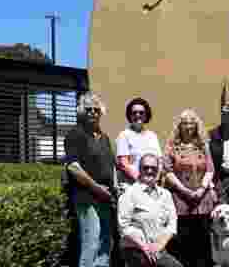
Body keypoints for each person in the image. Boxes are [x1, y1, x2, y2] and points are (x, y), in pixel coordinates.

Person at [65, 91, 117, 267]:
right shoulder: (75, 134)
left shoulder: (105, 138)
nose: (93, 113)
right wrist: (96, 188)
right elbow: (73, 167)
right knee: (91, 243)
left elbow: (111, 166)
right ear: (81, 111)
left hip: (105, 198)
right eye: (88, 109)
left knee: (106, 243)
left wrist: (113, 189)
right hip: (87, 198)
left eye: (96, 110)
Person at [163, 109, 218, 267]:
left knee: (202, 241)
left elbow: (210, 169)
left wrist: (201, 188)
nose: (188, 126)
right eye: (185, 123)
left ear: (196, 125)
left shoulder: (202, 145)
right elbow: (167, 171)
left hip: (202, 199)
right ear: (179, 126)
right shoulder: (172, 146)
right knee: (182, 241)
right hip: (180, 200)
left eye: (191, 123)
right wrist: (184, 190)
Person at [118, 153, 183, 267]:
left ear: (158, 170)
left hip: (158, 249)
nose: (149, 171)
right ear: (139, 169)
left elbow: (172, 224)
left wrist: (159, 245)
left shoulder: (165, 195)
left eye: (153, 168)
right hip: (135, 249)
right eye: (145, 167)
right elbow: (123, 227)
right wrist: (144, 247)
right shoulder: (129, 194)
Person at [116, 98, 162, 192]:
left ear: (146, 115)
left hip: (151, 187)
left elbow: (159, 161)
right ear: (130, 115)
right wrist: (142, 181)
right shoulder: (124, 135)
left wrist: (155, 180)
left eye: (141, 112)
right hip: (131, 187)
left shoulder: (152, 136)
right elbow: (124, 164)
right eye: (134, 112)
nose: (138, 115)